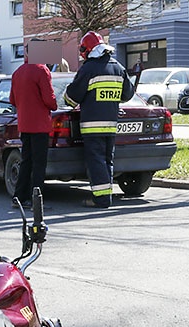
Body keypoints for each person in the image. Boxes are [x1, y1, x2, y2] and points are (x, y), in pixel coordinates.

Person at [63, 31, 135, 208]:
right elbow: (128, 94)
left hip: (91, 126)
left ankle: (101, 199)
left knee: (96, 161)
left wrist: (65, 96)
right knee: (107, 161)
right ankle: (106, 195)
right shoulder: (118, 67)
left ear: (88, 50)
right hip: (111, 125)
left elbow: (72, 98)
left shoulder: (88, 68)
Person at [10, 41, 57, 207]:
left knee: (26, 160)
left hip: (24, 124)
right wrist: (54, 105)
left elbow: (12, 100)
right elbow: (49, 99)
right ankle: (37, 198)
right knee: (39, 163)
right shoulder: (41, 70)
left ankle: (19, 197)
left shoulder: (17, 73)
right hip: (40, 124)